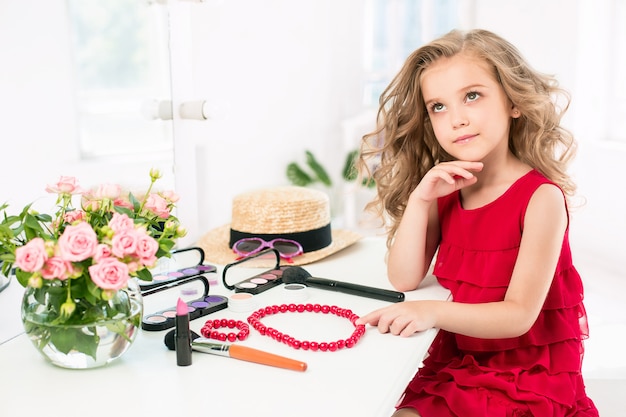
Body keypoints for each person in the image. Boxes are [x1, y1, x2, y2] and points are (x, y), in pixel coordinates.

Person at [356, 29, 599, 416]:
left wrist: (429, 312)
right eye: (438, 106)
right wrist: (420, 199)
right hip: (459, 361)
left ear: (513, 102)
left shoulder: (540, 198)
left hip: (525, 373)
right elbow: (404, 278)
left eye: (472, 96)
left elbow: (518, 315)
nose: (457, 120)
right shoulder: (447, 188)